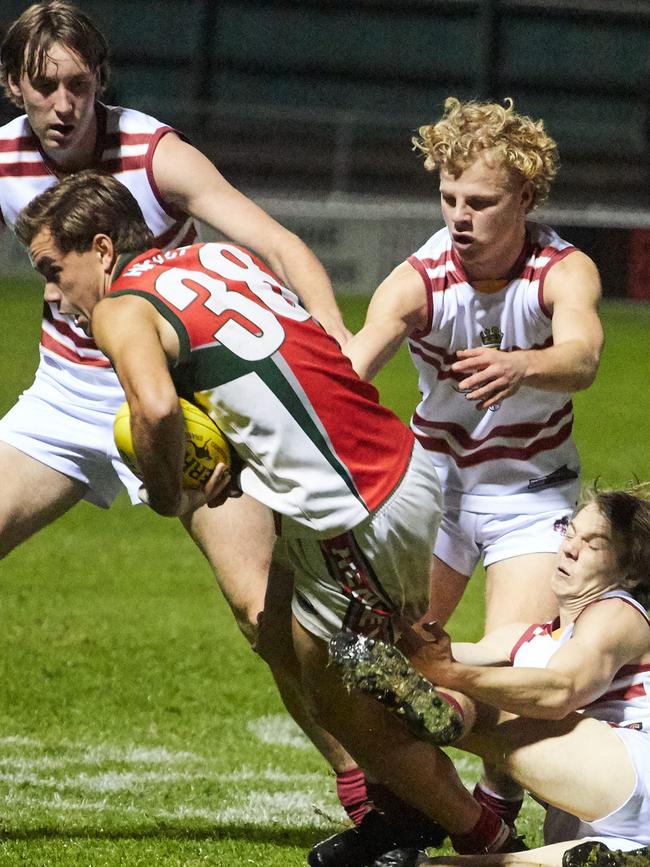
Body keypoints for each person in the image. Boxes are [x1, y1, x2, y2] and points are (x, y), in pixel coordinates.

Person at [16, 169, 539, 863]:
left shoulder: (121, 309)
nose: (53, 292)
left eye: (55, 269)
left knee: (350, 701)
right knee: (281, 630)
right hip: (390, 471)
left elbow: (156, 407)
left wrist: (169, 490)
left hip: (354, 511)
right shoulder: (220, 257)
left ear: (104, 248)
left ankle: (491, 839)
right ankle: (401, 809)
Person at [0, 0, 371, 827]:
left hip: (187, 399)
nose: (65, 104)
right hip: (68, 395)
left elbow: (276, 242)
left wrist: (341, 336)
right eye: (45, 86)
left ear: (100, 81)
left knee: (261, 610)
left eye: (80, 84)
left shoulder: (155, 153)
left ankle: (369, 785)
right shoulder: (2, 157)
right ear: (11, 85)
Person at [343, 96, 604, 828]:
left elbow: (582, 356)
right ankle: (408, 806)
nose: (459, 216)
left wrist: (522, 366)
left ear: (524, 195)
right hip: (435, 495)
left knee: (508, 664)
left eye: (480, 201)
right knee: (384, 661)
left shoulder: (561, 269)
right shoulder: (419, 278)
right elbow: (355, 367)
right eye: (448, 197)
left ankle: (497, 798)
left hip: (532, 497)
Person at [334, 485, 650, 867]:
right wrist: (376, 623)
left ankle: (443, 724)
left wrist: (450, 674)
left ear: (631, 572)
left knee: (478, 696)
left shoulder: (618, 611)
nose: (570, 548)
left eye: (594, 544)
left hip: (631, 776)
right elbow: (431, 661)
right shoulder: (524, 638)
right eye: (569, 533)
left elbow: (561, 691)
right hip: (594, 817)